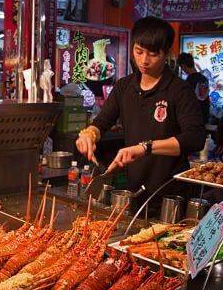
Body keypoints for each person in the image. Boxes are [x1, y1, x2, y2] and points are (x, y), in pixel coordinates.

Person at [76, 16, 205, 197]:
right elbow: (102, 121)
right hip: (135, 189)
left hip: (171, 193)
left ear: (166, 53)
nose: (144, 60)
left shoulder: (180, 90)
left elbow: (195, 138)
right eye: (139, 51)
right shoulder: (124, 86)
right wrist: (89, 134)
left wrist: (145, 148)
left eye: (153, 54)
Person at [178, 52, 210, 125]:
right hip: (204, 117)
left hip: (193, 119)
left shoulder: (188, 82)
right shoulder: (204, 78)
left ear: (183, 66)